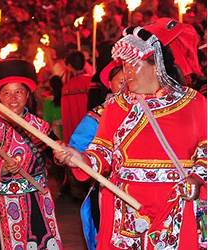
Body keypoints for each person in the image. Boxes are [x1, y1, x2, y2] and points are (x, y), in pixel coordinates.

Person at [54, 18, 206, 249]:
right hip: (127, 206)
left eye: (133, 65)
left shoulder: (192, 102)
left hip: (177, 202)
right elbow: (101, 152)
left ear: (157, 65)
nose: (127, 73)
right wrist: (80, 159)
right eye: (124, 66)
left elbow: (206, 146)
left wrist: (197, 176)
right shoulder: (116, 107)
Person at [0, 59, 63, 249]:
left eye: (18, 92)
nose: (13, 98)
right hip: (2, 203)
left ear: (27, 95)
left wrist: (60, 153)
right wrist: (2, 168)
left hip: (37, 200)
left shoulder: (39, 126)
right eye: (6, 93)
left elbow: (53, 156)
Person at [69, 61, 123, 250]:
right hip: (107, 189)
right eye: (120, 82)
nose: (125, 87)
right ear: (109, 84)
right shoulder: (98, 116)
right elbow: (78, 147)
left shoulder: (146, 110)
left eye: (129, 81)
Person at [61, 51, 91, 144]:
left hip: (76, 132)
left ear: (69, 66)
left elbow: (66, 117)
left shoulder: (67, 87)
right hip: (93, 129)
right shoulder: (92, 81)